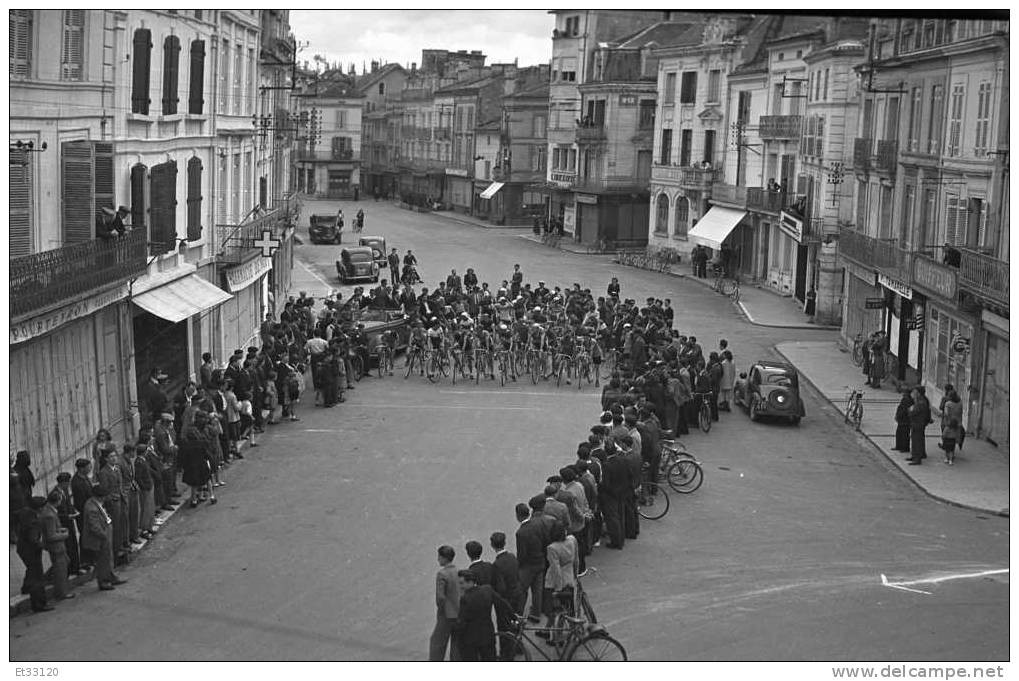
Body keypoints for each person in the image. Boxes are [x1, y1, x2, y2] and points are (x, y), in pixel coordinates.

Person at [455, 569, 512, 661]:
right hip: (488, 636)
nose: (460, 586)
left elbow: (462, 622)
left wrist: (457, 631)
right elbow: (503, 604)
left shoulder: (465, 599)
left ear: (470, 582)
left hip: (471, 640)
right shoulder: (487, 589)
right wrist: (513, 616)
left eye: (462, 583)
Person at [81, 485, 126, 591]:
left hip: (106, 531)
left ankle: (111, 576)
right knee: (103, 560)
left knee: (108, 557)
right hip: (101, 537)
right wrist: (104, 535)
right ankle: (104, 581)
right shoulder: (92, 508)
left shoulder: (95, 504)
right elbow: (94, 527)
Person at [17, 496, 52, 612]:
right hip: (31, 551)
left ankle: (27, 588)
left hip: (23, 549)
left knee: (32, 572)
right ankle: (39, 604)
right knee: (37, 576)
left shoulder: (26, 513)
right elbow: (34, 540)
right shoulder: (33, 521)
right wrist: (45, 546)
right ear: (39, 508)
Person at [490, 531, 520, 659]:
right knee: (515, 623)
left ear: (492, 545)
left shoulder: (497, 564)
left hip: (505, 599)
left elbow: (501, 587)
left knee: (504, 627)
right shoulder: (512, 557)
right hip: (517, 595)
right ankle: (517, 646)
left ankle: (506, 654)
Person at [514, 501, 546, 622]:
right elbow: (545, 540)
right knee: (537, 590)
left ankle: (519, 615)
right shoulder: (538, 525)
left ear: (518, 515)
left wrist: (519, 566)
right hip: (540, 561)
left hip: (528, 566)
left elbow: (521, 554)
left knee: (522, 590)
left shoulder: (521, 533)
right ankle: (536, 613)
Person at [428, 545, 461, 662]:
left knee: (437, 643)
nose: (438, 559)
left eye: (439, 557)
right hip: (458, 613)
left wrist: (441, 610)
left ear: (444, 558)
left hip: (446, 615)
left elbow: (440, 597)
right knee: (456, 644)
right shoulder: (458, 572)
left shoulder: (442, 574)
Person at [39, 490, 74, 601]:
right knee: (60, 569)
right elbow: (51, 536)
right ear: (57, 501)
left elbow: (53, 529)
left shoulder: (49, 511)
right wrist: (64, 535)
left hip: (56, 546)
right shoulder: (49, 515)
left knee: (64, 563)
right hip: (56, 546)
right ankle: (61, 592)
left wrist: (60, 529)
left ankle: (49, 581)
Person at [907, 386, 932, 465]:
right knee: (917, 439)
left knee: (916, 441)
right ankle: (917, 455)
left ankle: (917, 458)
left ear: (918, 393)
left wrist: (910, 409)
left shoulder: (921, 402)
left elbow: (913, 411)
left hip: (918, 423)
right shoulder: (920, 400)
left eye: (915, 392)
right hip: (917, 423)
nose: (913, 393)